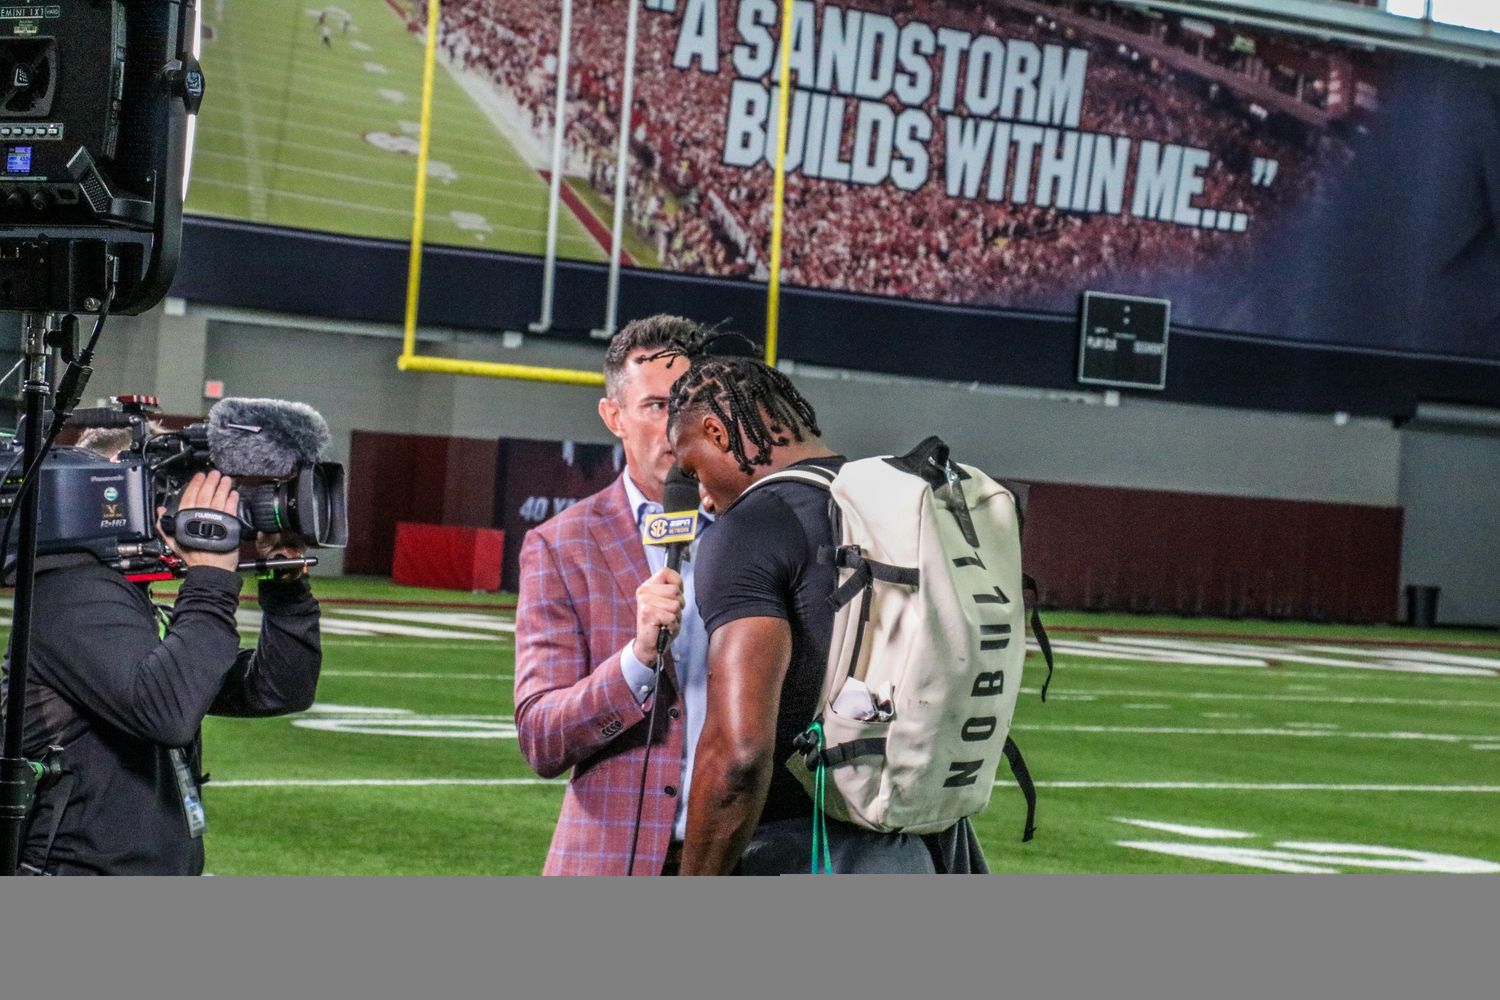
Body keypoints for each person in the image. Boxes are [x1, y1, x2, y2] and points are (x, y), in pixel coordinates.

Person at [670, 357, 966, 875]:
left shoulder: (751, 527)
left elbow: (738, 757)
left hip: (801, 851)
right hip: (920, 849)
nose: (702, 497)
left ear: (716, 432)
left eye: (693, 468)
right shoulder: (891, 504)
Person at [2, 469, 322, 875]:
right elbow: (166, 714)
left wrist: (286, 587)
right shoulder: (70, 598)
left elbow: (278, 688)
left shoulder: (127, 608)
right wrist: (210, 580)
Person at [513, 315, 715, 875]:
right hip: (610, 861)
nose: (678, 428)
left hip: (739, 858)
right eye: (656, 406)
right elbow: (541, 738)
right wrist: (636, 661)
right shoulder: (561, 546)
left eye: (692, 405)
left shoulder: (760, 532)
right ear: (614, 417)